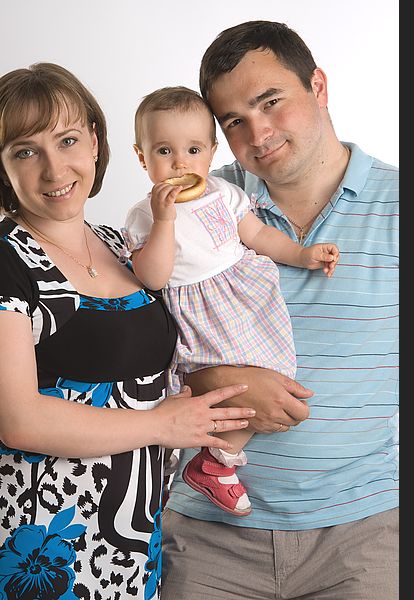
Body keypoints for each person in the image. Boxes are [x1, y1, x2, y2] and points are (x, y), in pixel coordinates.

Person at [0, 63, 257, 600]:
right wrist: (162, 425)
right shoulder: (7, 259)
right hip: (42, 543)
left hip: (133, 541)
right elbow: (18, 420)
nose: (54, 169)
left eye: (68, 140)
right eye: (25, 151)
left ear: (95, 141)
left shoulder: (123, 245)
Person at [162, 20, 399, 600]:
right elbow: (130, 357)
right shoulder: (196, 207)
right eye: (234, 121)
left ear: (317, 85)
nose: (258, 132)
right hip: (207, 538)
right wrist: (217, 383)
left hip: (367, 536)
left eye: (271, 102)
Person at [123, 86, 339, 517]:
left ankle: (211, 464)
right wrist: (164, 220)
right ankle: (215, 464)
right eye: (164, 151)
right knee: (229, 388)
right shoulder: (145, 214)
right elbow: (152, 275)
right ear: (142, 157)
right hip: (198, 310)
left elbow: (257, 235)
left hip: (242, 298)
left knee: (276, 375)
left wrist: (302, 254)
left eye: (193, 149)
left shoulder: (223, 193)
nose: (180, 163)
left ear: (211, 152)